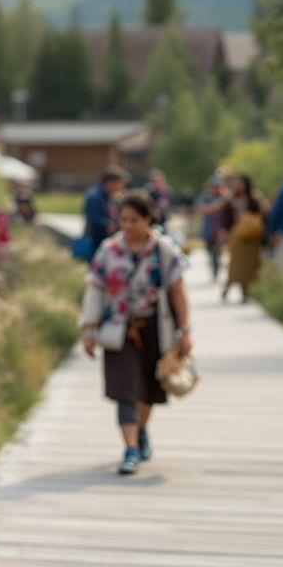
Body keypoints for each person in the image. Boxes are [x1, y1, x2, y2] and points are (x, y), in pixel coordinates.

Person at [79, 190, 192, 475]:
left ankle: (141, 430)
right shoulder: (108, 251)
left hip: (155, 327)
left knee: (147, 390)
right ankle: (130, 449)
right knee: (125, 390)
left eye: (133, 220)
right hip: (118, 330)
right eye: (123, 220)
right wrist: (89, 330)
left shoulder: (164, 251)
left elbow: (178, 292)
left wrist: (185, 331)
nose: (127, 226)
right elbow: (95, 290)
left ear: (147, 219)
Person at [220, 173, 268, 302]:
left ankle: (245, 293)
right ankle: (227, 287)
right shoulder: (231, 199)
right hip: (237, 235)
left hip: (251, 236)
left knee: (248, 266)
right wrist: (225, 233)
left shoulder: (254, 198)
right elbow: (225, 217)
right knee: (235, 265)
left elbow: (263, 214)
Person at [82, 166, 128, 252]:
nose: (121, 188)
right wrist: (108, 224)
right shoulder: (95, 196)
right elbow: (93, 216)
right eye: (120, 184)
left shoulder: (110, 195)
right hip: (97, 238)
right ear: (111, 182)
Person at [197, 176, 230, 280]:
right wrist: (217, 206)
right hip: (209, 229)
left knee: (218, 252)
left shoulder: (225, 196)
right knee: (210, 252)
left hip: (220, 229)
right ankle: (214, 269)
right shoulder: (207, 197)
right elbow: (203, 209)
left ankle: (217, 270)